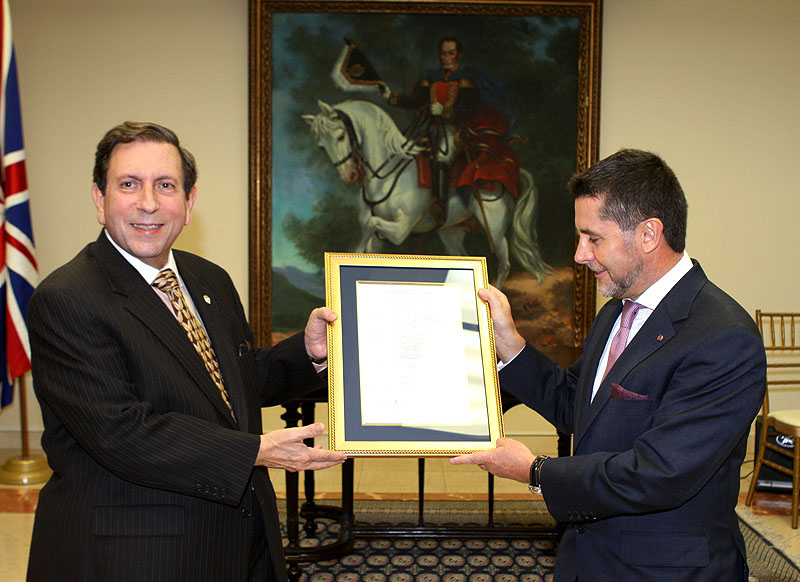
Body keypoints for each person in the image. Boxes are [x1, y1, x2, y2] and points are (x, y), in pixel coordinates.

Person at [26, 121, 347, 582]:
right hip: (137, 554)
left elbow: (227, 385)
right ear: (99, 199)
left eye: (165, 185)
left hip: (237, 536)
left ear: (189, 202)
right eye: (129, 184)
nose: (148, 203)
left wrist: (310, 352)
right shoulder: (68, 298)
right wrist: (255, 451)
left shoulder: (208, 278)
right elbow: (120, 432)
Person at [451, 149, 766, 580]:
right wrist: (511, 344)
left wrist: (535, 471)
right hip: (588, 557)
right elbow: (575, 405)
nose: (579, 255)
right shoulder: (617, 311)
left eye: (593, 238)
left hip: (663, 571)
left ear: (649, 234)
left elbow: (660, 473)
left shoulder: (723, 337)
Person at [382, 37, 520, 223]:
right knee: (403, 151)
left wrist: (446, 111)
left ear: (458, 55)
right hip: (428, 128)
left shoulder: (466, 79)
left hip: (453, 130)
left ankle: (439, 204)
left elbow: (469, 109)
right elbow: (416, 101)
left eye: (451, 53)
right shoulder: (430, 77)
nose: (446, 57)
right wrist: (393, 97)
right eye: (443, 53)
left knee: (442, 156)